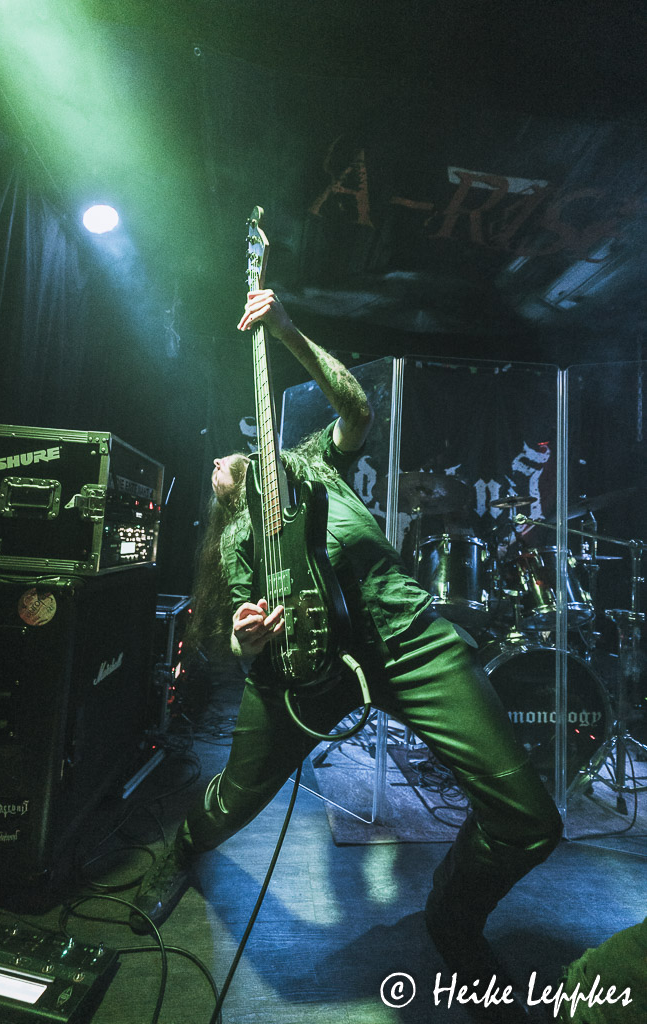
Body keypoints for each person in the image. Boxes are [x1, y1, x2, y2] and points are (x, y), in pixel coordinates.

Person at [131, 288, 563, 1004]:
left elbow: (357, 409)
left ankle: (452, 916)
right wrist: (245, 638)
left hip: (410, 640)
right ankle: (180, 850)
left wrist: (287, 330)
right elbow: (238, 637)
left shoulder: (311, 464)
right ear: (222, 498)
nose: (218, 463)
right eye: (214, 471)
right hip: (299, 676)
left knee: (530, 822)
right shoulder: (236, 538)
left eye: (230, 456)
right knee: (235, 800)